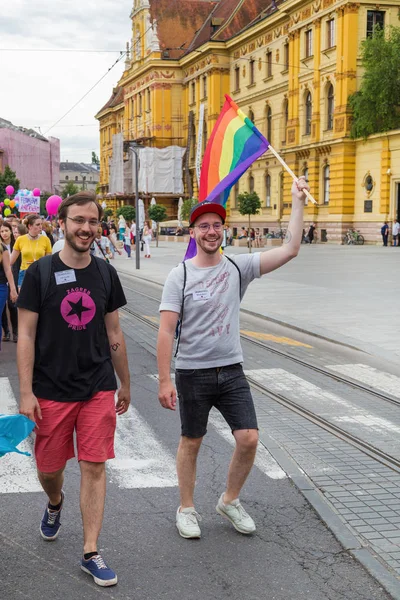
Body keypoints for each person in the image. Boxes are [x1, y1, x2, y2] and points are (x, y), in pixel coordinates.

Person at [157, 178, 309, 539]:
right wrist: (165, 380)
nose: (212, 231)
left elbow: (290, 249)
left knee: (249, 438)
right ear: (192, 232)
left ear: (223, 230)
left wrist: (297, 202)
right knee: (191, 441)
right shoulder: (179, 276)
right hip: (192, 372)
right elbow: (165, 331)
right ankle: (187, 508)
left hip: (231, 370)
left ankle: (229, 500)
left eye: (217, 225)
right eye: (204, 226)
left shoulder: (239, 268)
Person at [17, 191, 130, 587]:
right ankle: (54, 502)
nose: (86, 228)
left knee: (94, 466)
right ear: (61, 223)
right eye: (79, 220)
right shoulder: (40, 273)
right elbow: (26, 335)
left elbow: (114, 331)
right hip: (51, 388)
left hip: (97, 385)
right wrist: (26, 392)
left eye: (93, 221)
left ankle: (91, 550)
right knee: (49, 469)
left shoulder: (104, 273)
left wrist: (125, 384)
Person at [10, 215, 52, 288]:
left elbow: (49, 261)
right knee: (24, 298)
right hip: (24, 273)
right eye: (38, 224)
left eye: (41, 224)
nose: (40, 226)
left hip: (40, 273)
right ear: (30, 226)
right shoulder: (20, 239)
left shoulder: (46, 239)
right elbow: (11, 261)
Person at [1, 222, 18, 342]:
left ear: (11, 231)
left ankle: (15, 332)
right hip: (6, 280)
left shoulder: (15, 245)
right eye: (1, 231)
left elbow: (9, 269)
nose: (4, 233)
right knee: (2, 311)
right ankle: (6, 331)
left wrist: (13, 287)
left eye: (6, 230)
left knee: (12, 306)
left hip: (9, 280)